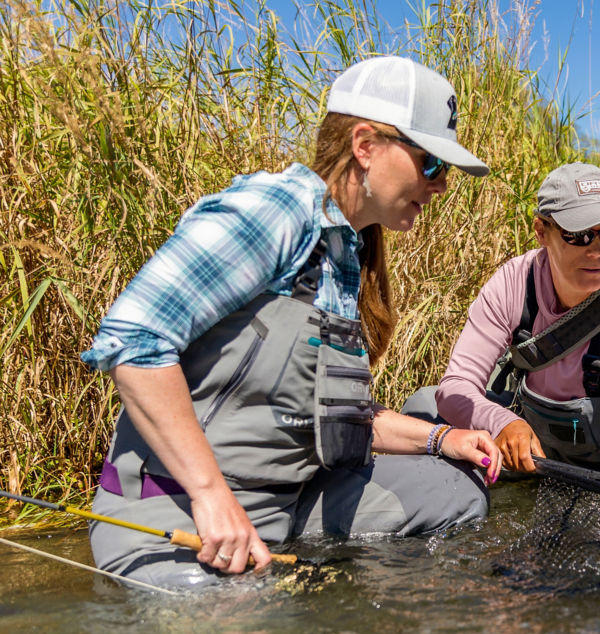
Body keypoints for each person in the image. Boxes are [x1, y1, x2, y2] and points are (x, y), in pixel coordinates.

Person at [81, 55, 501, 590]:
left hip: (284, 504)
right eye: (431, 164)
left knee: (456, 492)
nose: (439, 186)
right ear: (365, 145)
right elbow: (134, 342)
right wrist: (210, 495)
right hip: (181, 514)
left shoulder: (347, 252)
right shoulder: (277, 210)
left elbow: (339, 416)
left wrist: (445, 440)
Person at [424, 162, 600, 473]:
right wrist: (503, 422)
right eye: (581, 235)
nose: (597, 250)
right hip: (534, 448)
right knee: (421, 407)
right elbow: (455, 386)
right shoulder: (514, 284)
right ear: (541, 232)